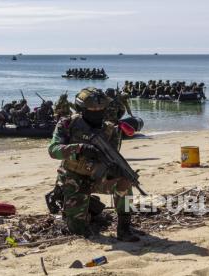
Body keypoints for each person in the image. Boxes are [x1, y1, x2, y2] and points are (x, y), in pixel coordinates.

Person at [47, 87, 140, 242]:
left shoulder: (111, 130)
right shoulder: (68, 124)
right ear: (82, 109)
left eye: (101, 109)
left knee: (125, 181)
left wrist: (114, 170)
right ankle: (81, 206)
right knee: (78, 229)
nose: (97, 113)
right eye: (92, 110)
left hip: (98, 177)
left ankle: (124, 228)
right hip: (73, 178)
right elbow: (53, 150)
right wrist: (80, 148)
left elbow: (112, 156)